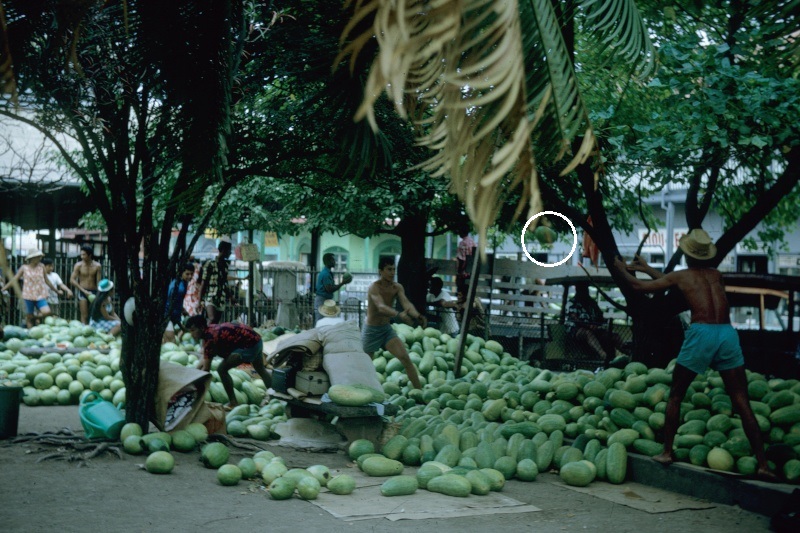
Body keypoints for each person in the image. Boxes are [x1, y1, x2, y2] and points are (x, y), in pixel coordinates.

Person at [613, 228, 777, 481]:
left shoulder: (683, 275)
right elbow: (681, 283)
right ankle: (764, 465)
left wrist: (620, 268)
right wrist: (647, 269)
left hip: (702, 334)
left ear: (688, 255)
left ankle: (667, 452)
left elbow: (639, 287)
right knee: (741, 399)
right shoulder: (716, 275)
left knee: (676, 395)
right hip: (727, 334)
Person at [362, 257, 425, 389]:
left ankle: (419, 391)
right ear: (381, 271)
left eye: (393, 269)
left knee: (406, 359)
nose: (392, 272)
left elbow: (406, 303)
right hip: (371, 330)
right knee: (365, 366)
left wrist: (417, 315)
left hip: (386, 330)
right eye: (389, 269)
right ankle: (362, 391)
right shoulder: (374, 287)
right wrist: (398, 315)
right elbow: (381, 307)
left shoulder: (397, 287)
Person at [186, 314, 270, 411]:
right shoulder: (210, 330)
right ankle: (273, 396)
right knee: (261, 369)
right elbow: (206, 358)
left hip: (249, 345)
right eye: (190, 331)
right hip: (257, 340)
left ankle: (233, 402)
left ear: (201, 327)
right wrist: (193, 373)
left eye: (193, 330)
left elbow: (206, 369)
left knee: (221, 370)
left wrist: (192, 384)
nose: (191, 334)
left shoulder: (210, 339)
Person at [564, 283, 622, 362]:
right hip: (576, 329)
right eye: (583, 290)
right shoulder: (572, 302)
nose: (585, 292)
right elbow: (575, 319)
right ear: (577, 290)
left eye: (586, 290)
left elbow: (600, 316)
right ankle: (604, 356)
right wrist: (589, 326)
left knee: (612, 335)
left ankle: (626, 353)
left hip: (594, 328)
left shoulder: (591, 303)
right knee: (588, 333)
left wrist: (603, 320)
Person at [2, 249, 58, 328]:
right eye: (37, 257)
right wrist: (4, 289)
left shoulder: (41, 266)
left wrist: (56, 290)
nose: (39, 258)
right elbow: (14, 279)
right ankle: (30, 334)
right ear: (32, 258)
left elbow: (47, 280)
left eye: (39, 257)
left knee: (46, 312)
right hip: (28, 295)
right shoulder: (24, 268)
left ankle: (34, 318)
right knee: (29, 318)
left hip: (40, 295)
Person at [198, 237, 237, 324]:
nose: (230, 253)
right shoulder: (210, 264)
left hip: (221, 299)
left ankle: (211, 336)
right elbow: (203, 283)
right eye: (229, 250)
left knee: (215, 322)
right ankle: (205, 335)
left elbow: (224, 284)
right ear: (223, 250)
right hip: (210, 297)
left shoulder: (225, 266)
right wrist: (200, 301)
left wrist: (231, 297)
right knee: (212, 318)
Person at [314, 253, 351, 323]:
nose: (335, 262)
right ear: (328, 261)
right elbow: (329, 289)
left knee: (325, 323)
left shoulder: (328, 273)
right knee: (321, 323)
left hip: (324, 300)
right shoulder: (326, 274)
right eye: (333, 260)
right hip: (322, 301)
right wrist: (342, 283)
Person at [70, 245, 102, 324]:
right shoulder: (78, 265)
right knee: (84, 315)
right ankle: (83, 332)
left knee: (94, 314)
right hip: (82, 291)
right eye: (81, 254)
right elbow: (72, 280)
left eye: (84, 255)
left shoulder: (97, 266)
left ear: (89, 255)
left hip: (94, 292)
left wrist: (99, 294)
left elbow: (98, 282)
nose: (82, 256)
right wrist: (84, 291)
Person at [164, 263, 195, 343]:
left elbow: (177, 303)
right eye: (187, 274)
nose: (190, 276)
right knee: (171, 342)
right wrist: (181, 326)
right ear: (182, 273)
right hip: (166, 317)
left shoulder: (183, 283)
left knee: (166, 342)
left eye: (191, 274)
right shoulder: (178, 287)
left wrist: (183, 310)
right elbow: (171, 306)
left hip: (172, 317)